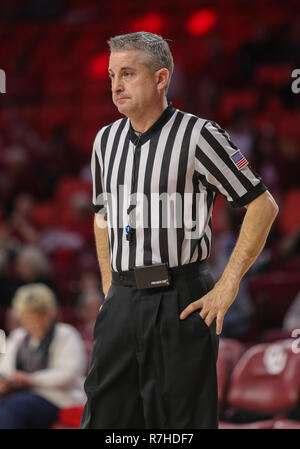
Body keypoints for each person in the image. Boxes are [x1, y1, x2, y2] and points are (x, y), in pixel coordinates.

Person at [80, 31, 279, 429]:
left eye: (128, 74)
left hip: (181, 297)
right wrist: (109, 285)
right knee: (105, 421)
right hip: (122, 298)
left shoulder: (201, 135)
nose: (116, 86)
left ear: (161, 78)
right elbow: (102, 215)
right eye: (111, 75)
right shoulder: (105, 140)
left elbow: (262, 205)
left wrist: (227, 284)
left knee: (178, 425)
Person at [0, 283, 87, 429]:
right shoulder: (17, 337)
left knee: (16, 407)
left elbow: (68, 374)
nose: (34, 323)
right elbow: (5, 369)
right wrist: (5, 381)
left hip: (58, 399)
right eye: (28, 318)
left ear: (49, 314)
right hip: (21, 398)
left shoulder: (66, 334)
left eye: (39, 317)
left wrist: (31, 380)